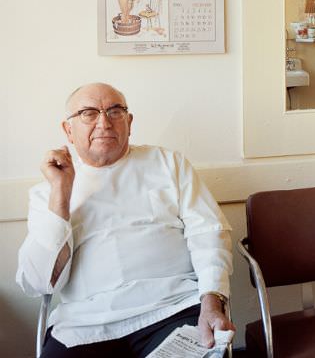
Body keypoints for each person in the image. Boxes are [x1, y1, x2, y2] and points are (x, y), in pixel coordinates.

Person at [17, 83, 234, 358]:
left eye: (115, 111)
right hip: (86, 324)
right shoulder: (47, 192)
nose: (104, 122)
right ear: (67, 130)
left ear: (129, 123)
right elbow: (40, 282)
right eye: (88, 113)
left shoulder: (168, 164)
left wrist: (212, 302)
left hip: (172, 308)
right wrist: (61, 193)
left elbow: (209, 234)